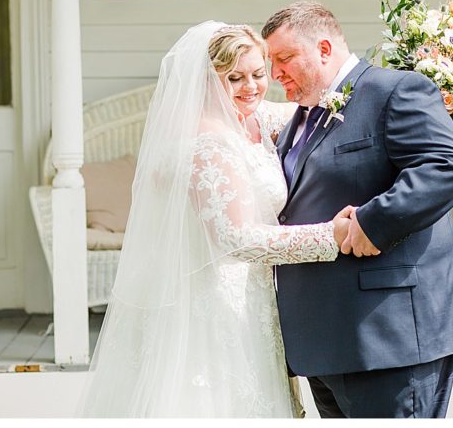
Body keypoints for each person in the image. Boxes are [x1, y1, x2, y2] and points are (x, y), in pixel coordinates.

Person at [76, 21, 353, 418]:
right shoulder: (208, 140)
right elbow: (236, 239)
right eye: (234, 78)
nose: (251, 87)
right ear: (208, 79)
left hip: (254, 300)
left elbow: (321, 111)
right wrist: (331, 236)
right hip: (220, 306)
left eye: (259, 74)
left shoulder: (255, 120)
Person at [263, 1, 453, 419]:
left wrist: (372, 221)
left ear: (324, 49)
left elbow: (446, 165)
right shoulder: (298, 119)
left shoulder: (393, 90)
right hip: (323, 338)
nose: (275, 74)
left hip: (387, 337)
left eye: (284, 58)